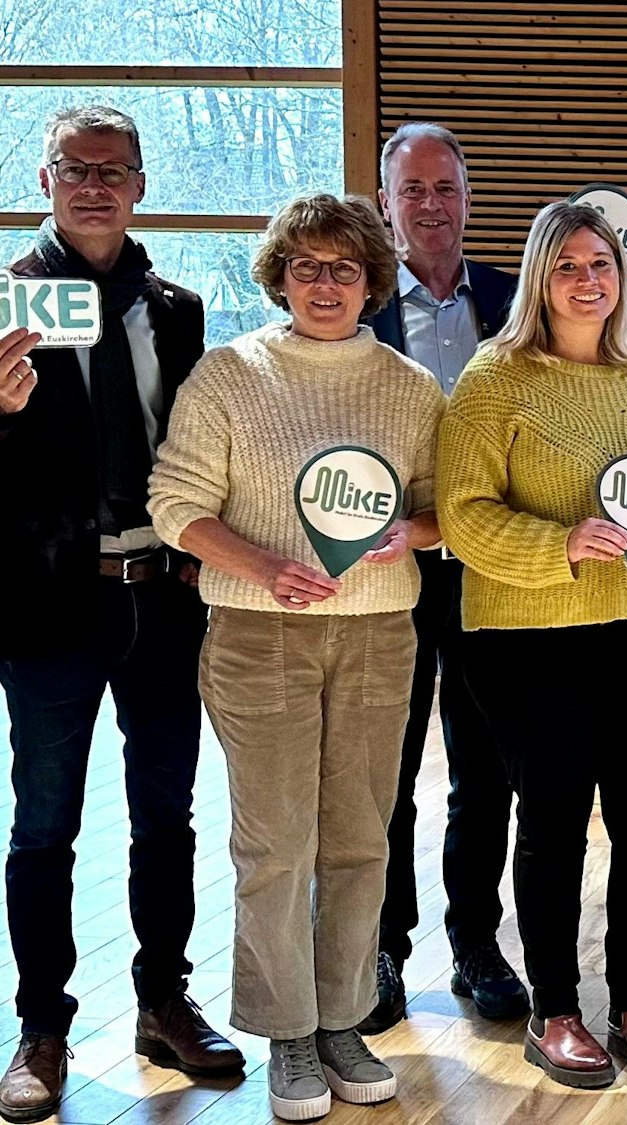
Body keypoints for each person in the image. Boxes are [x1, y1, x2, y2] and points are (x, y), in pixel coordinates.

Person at [146, 192, 443, 1121]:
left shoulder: (409, 385)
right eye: (306, 266)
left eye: (344, 267)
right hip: (256, 635)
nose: (325, 283)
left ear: (371, 282)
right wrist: (262, 564)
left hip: (378, 631)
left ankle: (344, 1016)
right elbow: (175, 503)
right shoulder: (230, 374)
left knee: (361, 837)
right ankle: (286, 1030)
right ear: (278, 275)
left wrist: (412, 532)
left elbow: (445, 509)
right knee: (275, 844)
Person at [437, 201, 627, 1089]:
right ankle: (553, 1006)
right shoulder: (493, 378)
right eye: (568, 266)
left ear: (622, 275)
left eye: (601, 264)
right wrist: (560, 544)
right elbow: (463, 516)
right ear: (538, 278)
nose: (589, 280)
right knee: (553, 821)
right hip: (531, 638)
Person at [0, 105, 243, 1124]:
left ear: (139, 183)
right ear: (45, 178)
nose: (94, 184)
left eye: (113, 169)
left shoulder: (176, 307)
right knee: (45, 823)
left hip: (163, 600)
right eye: (75, 167)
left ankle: (163, 1001)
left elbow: (201, 451)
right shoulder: (5, 307)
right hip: (47, 603)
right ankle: (42, 1027)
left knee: (165, 817)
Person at [362, 120, 527, 1035]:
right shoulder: (352, 304)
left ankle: (475, 941)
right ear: (386, 204)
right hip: (385, 575)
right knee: (385, 774)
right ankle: (384, 946)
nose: (430, 206)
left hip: (490, 573)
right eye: (412, 190)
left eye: (446, 189)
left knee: (485, 772)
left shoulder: (512, 301)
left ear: (468, 201)